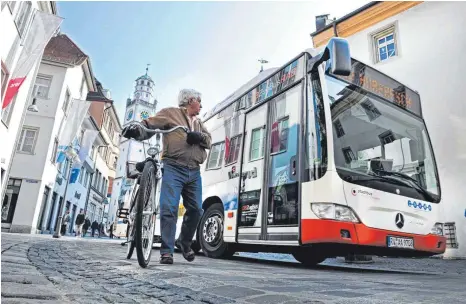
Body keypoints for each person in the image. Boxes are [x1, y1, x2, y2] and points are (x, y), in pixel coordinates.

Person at [122, 88, 211, 265]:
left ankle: (184, 242)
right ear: (190, 100)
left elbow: (208, 140)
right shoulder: (170, 113)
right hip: (173, 166)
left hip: (194, 170)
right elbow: (150, 124)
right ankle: (166, 252)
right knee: (169, 208)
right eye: (199, 101)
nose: (201, 105)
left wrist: (199, 137)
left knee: (196, 210)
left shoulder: (199, 123)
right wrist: (136, 129)